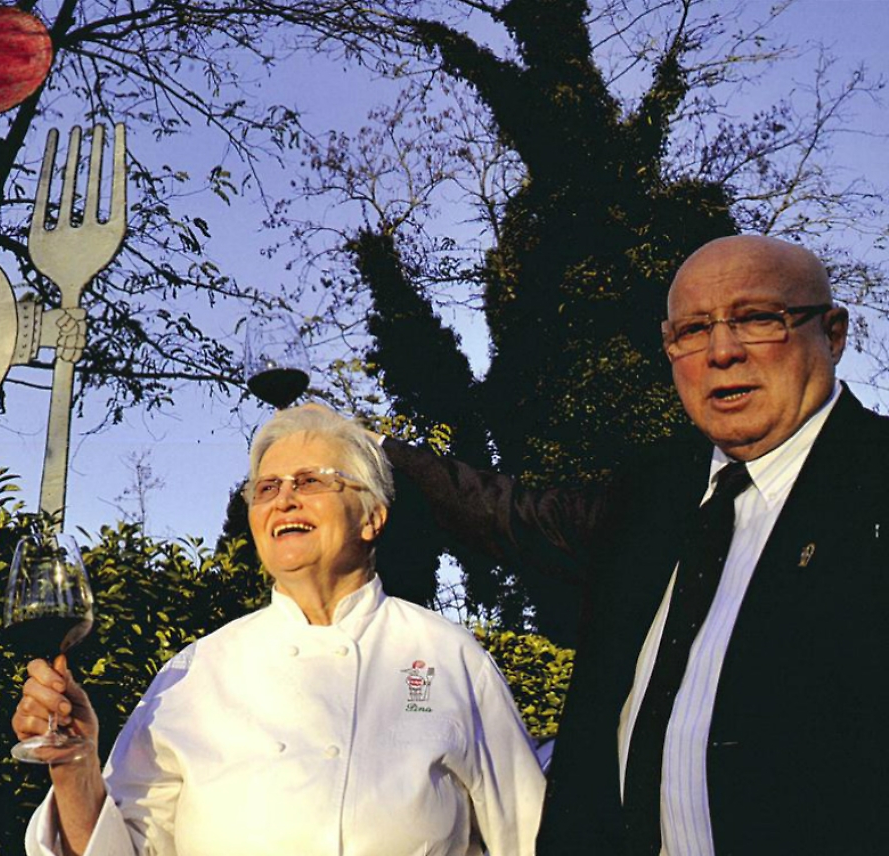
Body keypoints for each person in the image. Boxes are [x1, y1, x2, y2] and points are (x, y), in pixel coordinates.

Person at [379, 234, 889, 854]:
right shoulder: (651, 496)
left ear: (832, 333)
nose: (722, 351)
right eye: (693, 331)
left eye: (758, 320)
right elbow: (509, 513)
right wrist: (367, 454)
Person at [13, 405, 545, 856]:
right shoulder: (195, 674)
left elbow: (530, 836)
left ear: (372, 518)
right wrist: (75, 766)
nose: (283, 499)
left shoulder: (446, 654)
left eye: (311, 481)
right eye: (266, 488)